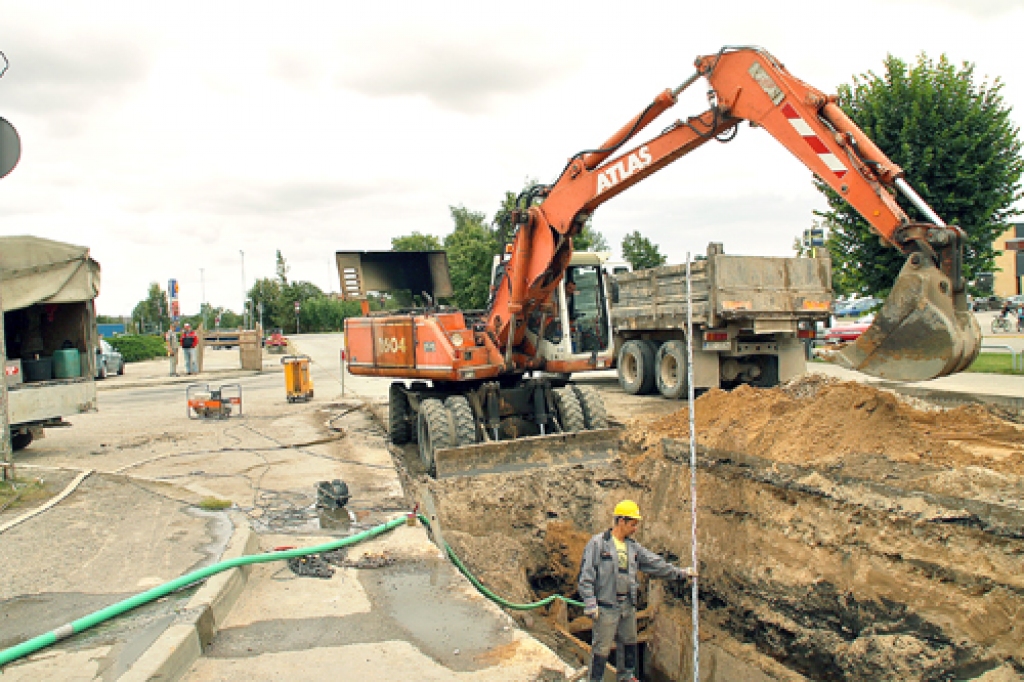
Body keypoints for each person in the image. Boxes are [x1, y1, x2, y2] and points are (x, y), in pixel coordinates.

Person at [578, 500, 696, 682]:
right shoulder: (598, 544)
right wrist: (591, 603)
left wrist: (680, 573)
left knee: (629, 644)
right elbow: (586, 577)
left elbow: (655, 564)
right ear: (621, 521)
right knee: (601, 649)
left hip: (627, 606)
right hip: (606, 607)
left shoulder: (632, 547)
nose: (635, 529)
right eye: (633, 524)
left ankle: (625, 678)